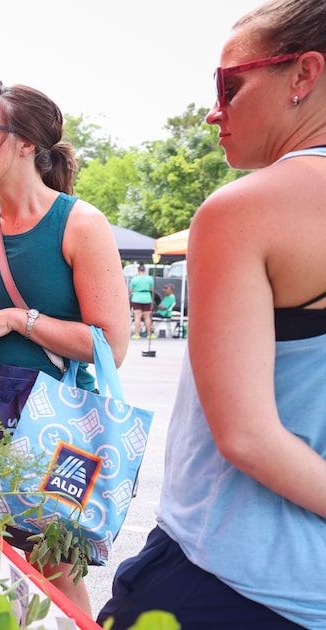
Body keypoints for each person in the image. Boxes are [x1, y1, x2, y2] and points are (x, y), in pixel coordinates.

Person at [99, 2, 326, 628]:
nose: (213, 108)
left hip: (228, 577)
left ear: (304, 76)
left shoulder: (244, 209)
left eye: (230, 83)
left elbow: (247, 436)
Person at [0, 80, 129, 615]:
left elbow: (112, 343)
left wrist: (16, 320)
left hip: (50, 425)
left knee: (54, 574)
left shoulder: (79, 223)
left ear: (26, 143)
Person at [128, 263, 157, 339]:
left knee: (137, 317)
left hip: (137, 298)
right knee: (147, 317)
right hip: (147, 298)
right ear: (145, 270)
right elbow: (152, 289)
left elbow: (130, 290)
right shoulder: (149, 279)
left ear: (138, 270)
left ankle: (137, 334)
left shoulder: (134, 279)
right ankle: (149, 334)